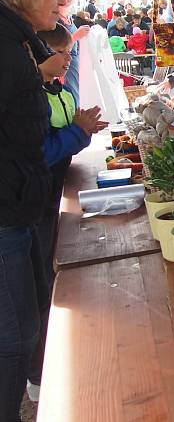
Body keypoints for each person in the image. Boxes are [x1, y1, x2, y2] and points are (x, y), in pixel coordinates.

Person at [0, 0, 70, 421]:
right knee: (14, 337)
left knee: (25, 327)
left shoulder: (20, 40)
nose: (59, 1)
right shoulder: (8, 46)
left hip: (19, 204)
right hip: (6, 211)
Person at [28, 25, 106, 402]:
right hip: (36, 202)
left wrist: (82, 129)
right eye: (64, 53)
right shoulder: (30, 96)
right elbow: (40, 152)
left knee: (49, 273)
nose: (69, 59)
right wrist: (78, 131)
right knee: (42, 283)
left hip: (53, 189)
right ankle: (38, 374)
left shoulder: (54, 88)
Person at [57, 0, 90, 106]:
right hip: (65, 71)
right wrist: (76, 36)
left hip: (75, 69)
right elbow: (54, 49)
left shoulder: (68, 18)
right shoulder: (55, 21)